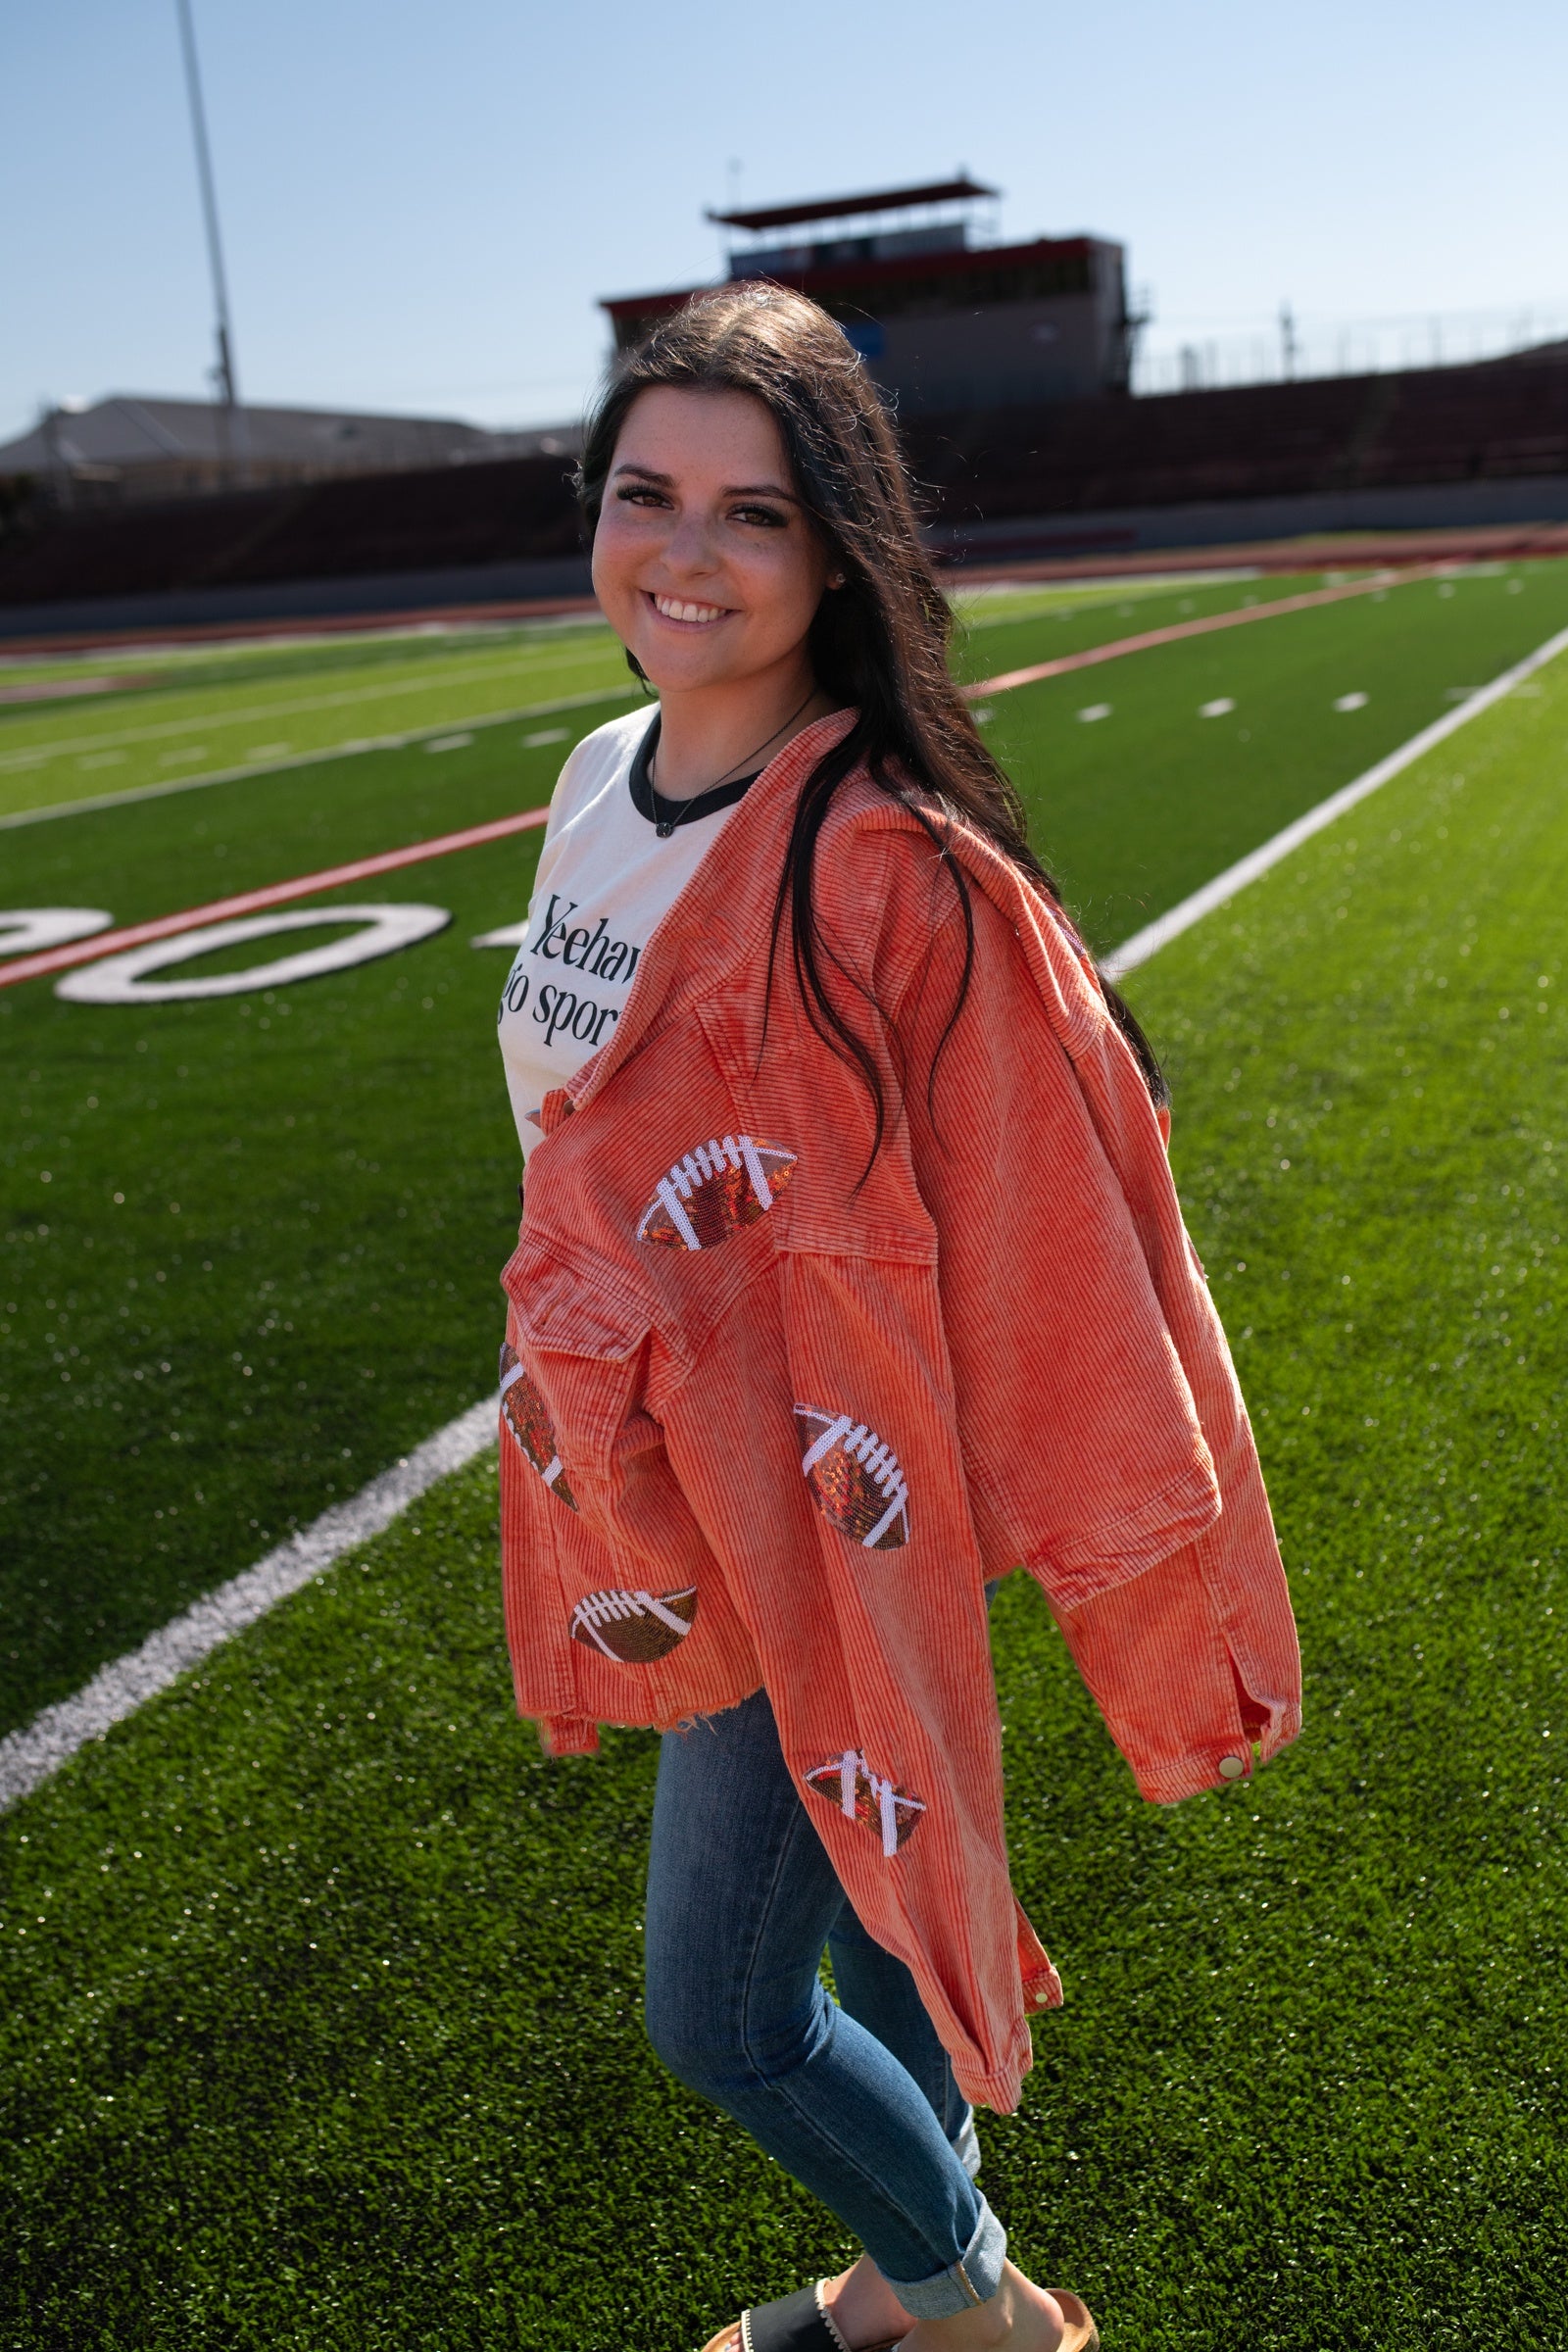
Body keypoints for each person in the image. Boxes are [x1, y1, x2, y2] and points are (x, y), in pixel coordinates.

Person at [494, 284, 1301, 2352]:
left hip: (820, 1513)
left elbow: (1059, 1215)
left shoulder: (887, 869)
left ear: (836, 549)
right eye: (642, 494)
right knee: (862, 1918)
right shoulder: (599, 773)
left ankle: (969, 2306)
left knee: (721, 2012)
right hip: (656, 1472)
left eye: (748, 516)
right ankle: (899, 2274)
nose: (679, 554)